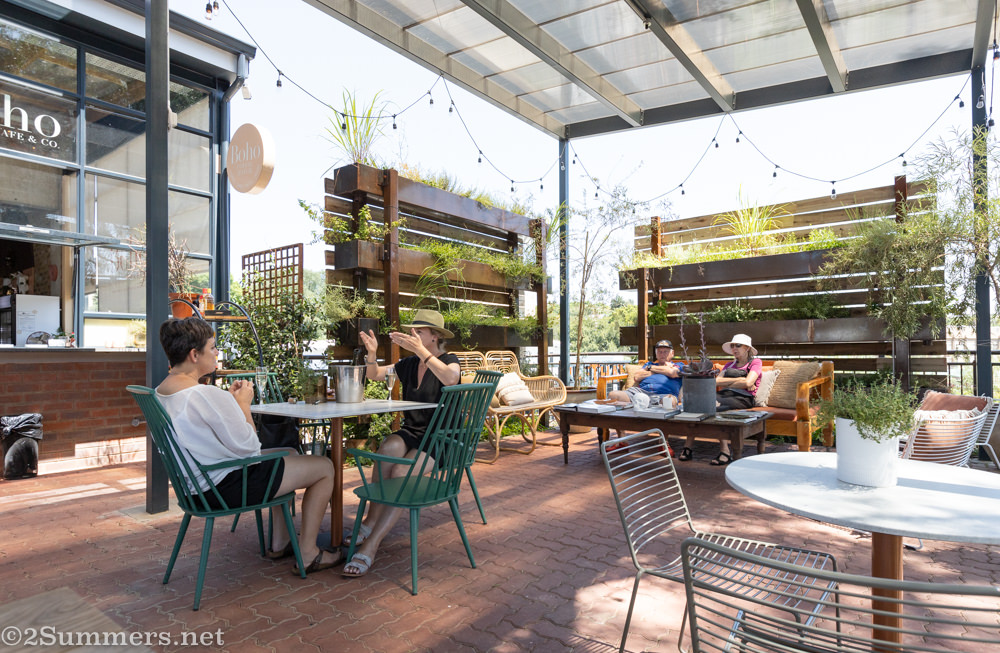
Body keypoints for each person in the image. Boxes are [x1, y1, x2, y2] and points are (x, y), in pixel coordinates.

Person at [155, 318, 340, 574]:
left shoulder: (161, 392)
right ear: (194, 354)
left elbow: (208, 437)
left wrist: (229, 403)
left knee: (288, 453)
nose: (217, 352)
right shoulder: (203, 394)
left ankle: (281, 541)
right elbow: (250, 448)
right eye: (212, 347)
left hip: (195, 488)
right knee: (324, 467)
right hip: (225, 487)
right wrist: (242, 404)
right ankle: (309, 553)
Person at [344, 308, 461, 578]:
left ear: (434, 337)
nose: (414, 335)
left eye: (419, 331)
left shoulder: (448, 360)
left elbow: (451, 378)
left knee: (401, 471)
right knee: (387, 450)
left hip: (441, 437)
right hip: (414, 431)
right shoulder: (408, 365)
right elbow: (374, 374)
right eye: (413, 330)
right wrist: (372, 353)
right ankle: (371, 521)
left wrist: (423, 353)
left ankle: (371, 545)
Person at [678, 333, 762, 466]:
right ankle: (688, 446)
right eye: (733, 346)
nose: (734, 348)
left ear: (747, 348)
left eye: (738, 346)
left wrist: (735, 382)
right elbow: (715, 382)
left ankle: (725, 451)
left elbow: (748, 383)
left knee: (711, 407)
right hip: (724, 394)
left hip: (743, 397)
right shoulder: (729, 364)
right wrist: (740, 380)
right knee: (698, 405)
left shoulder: (755, 362)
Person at [608, 339, 684, 407]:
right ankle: (641, 404)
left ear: (672, 353)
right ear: (656, 353)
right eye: (659, 352)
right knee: (613, 395)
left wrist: (651, 369)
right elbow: (637, 377)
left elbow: (672, 373)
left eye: (665, 352)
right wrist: (662, 370)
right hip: (640, 393)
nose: (662, 354)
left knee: (669, 401)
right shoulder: (648, 364)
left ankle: (642, 404)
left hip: (664, 395)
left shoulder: (679, 365)